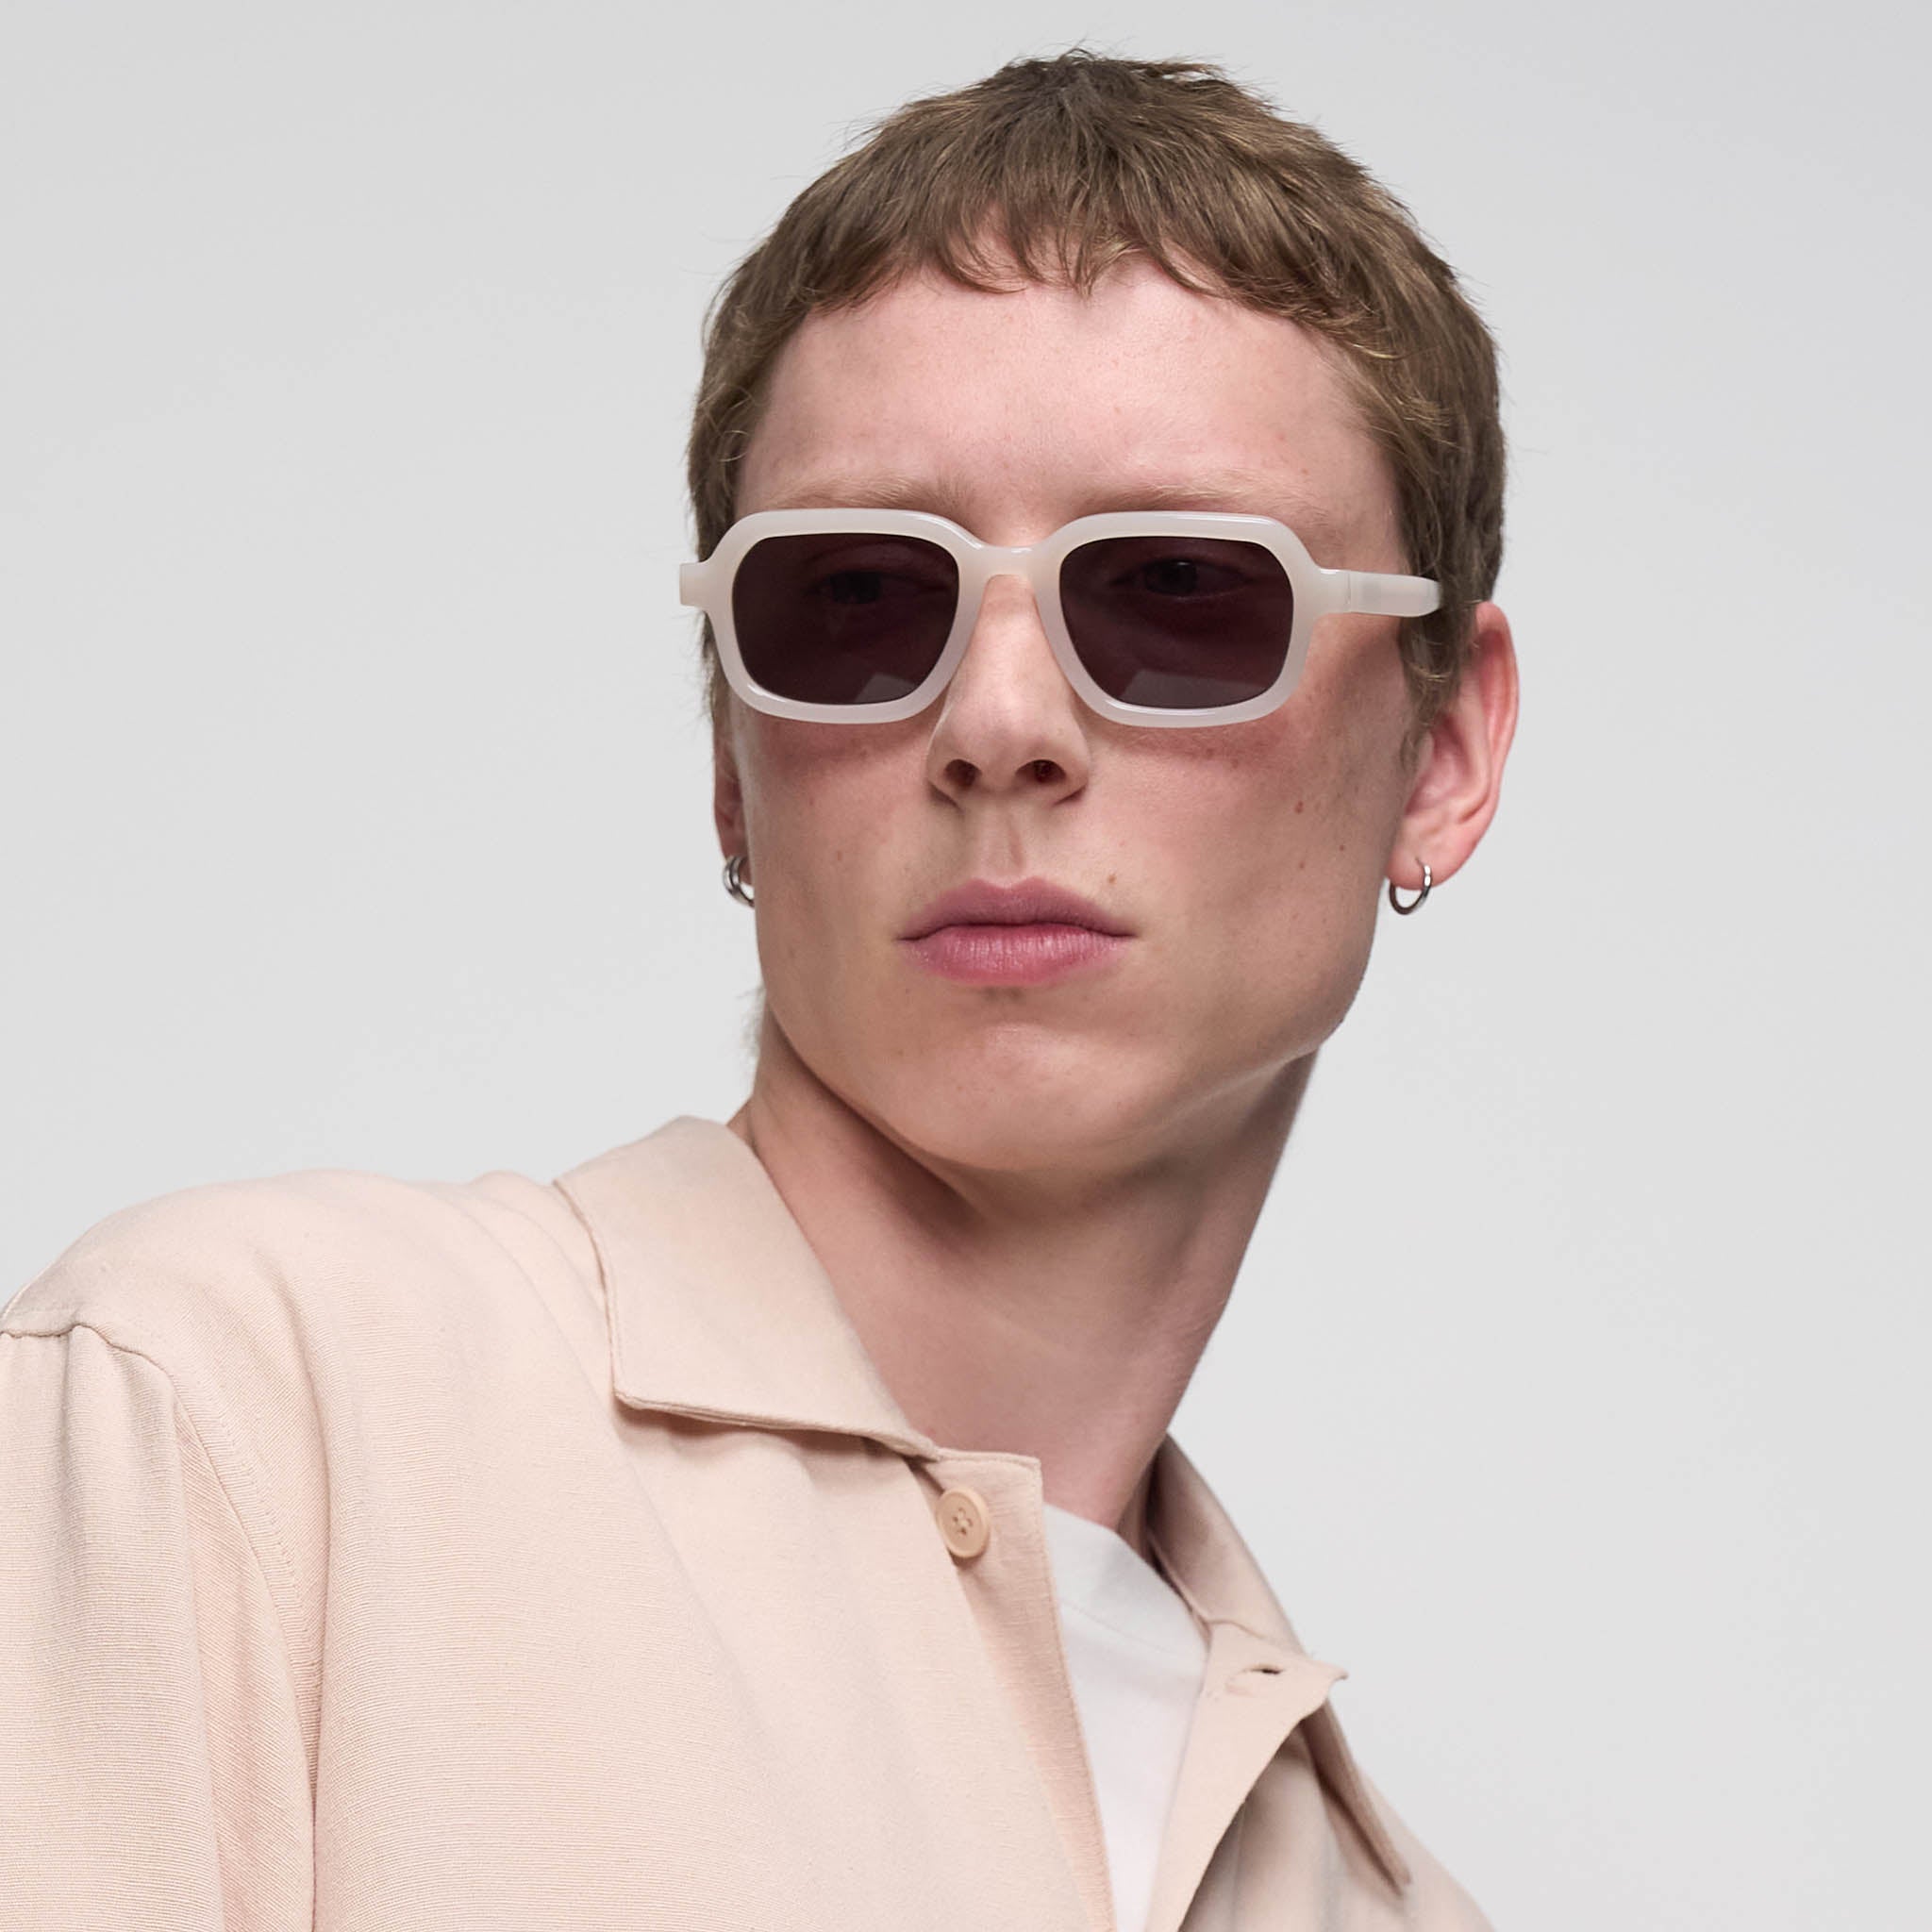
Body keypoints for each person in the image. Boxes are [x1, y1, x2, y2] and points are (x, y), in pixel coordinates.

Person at [0, 49, 1517, 1932]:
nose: (999, 723)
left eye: (1180, 592)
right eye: (859, 600)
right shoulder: (239, 1417)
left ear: (1444, 749)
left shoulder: (1376, 1903)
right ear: (733, 753)